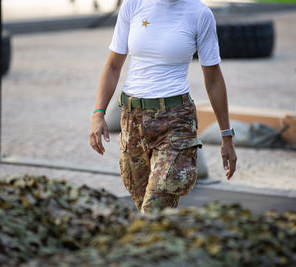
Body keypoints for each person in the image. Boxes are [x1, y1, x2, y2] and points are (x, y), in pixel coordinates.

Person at [89, 0, 237, 214]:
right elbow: (113, 66)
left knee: (152, 212)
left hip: (175, 124)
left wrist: (226, 136)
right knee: (150, 214)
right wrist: (98, 114)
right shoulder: (133, 4)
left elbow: (214, 80)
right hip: (132, 122)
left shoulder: (199, 13)